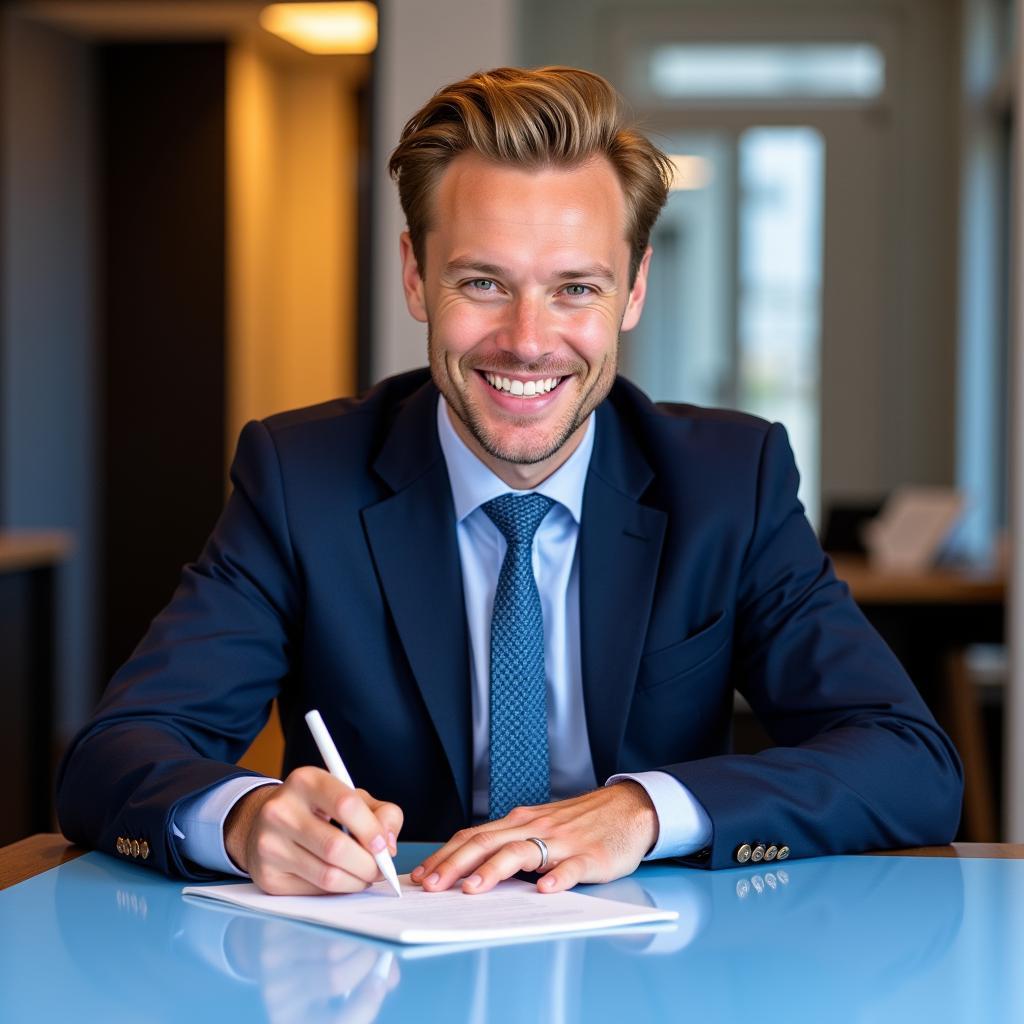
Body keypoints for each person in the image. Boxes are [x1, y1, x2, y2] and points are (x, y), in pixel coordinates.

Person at [56, 66, 962, 897]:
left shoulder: (728, 480)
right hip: (386, 967)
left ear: (634, 292)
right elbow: (113, 758)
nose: (528, 340)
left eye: (576, 289)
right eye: (484, 282)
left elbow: (908, 761)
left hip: (656, 977)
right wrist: (247, 820)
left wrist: (644, 812)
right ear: (416, 275)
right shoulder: (302, 478)